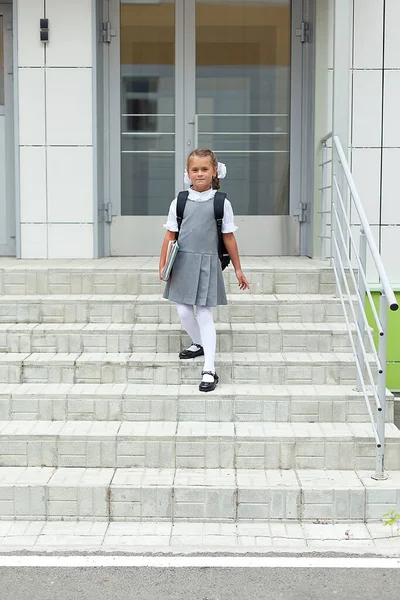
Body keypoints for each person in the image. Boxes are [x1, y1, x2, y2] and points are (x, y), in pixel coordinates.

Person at [159, 148, 250, 392]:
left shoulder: (222, 203)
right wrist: (163, 263)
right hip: (183, 263)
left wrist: (239, 269)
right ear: (188, 173)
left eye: (204, 169)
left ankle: (209, 368)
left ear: (214, 172)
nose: (199, 173)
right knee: (183, 311)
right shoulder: (179, 201)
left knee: (205, 314)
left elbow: (228, 238)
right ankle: (198, 343)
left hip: (208, 263)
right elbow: (170, 234)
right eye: (195, 170)